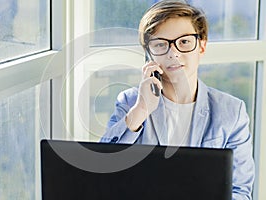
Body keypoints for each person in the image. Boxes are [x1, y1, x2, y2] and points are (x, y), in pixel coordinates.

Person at [100, 0, 255, 199]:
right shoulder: (131, 102)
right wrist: (141, 110)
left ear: (202, 45)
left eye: (184, 42)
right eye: (160, 44)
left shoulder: (232, 112)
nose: (173, 53)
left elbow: (240, 192)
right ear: (149, 54)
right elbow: (104, 171)